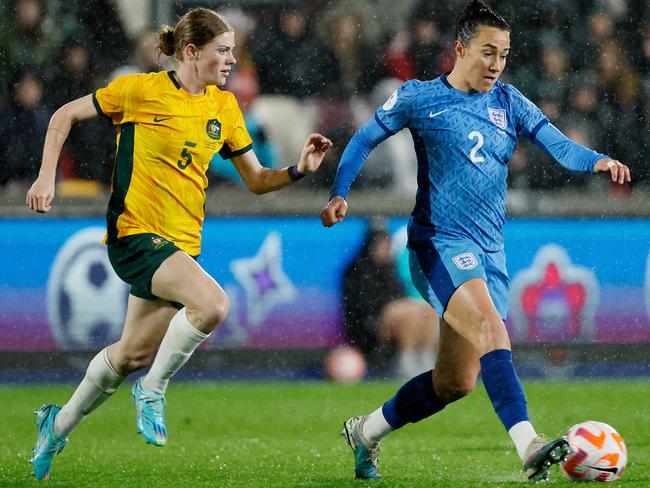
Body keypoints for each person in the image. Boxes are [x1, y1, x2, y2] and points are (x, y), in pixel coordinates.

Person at [320, 0, 630, 482]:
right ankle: (528, 443)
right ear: (460, 49)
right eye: (488, 52)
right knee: (491, 326)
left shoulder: (509, 101)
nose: (496, 65)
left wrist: (598, 160)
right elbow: (363, 139)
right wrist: (340, 193)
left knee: (455, 381)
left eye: (504, 55)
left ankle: (366, 431)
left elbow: (560, 145)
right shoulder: (420, 98)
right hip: (439, 243)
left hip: (489, 252)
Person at [26, 7, 332, 481]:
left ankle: (58, 424)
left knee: (129, 354)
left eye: (234, 50)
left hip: (180, 246)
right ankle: (152, 391)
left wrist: (298, 170)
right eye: (223, 51)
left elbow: (255, 180)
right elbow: (65, 115)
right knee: (213, 304)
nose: (233, 60)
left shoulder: (224, 108)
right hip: (135, 234)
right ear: (192, 52)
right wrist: (47, 176)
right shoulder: (141, 90)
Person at [342, 227, 438, 378]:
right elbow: (361, 305)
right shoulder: (357, 269)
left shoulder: (389, 268)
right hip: (370, 322)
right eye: (381, 245)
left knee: (428, 309)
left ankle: (425, 355)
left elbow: (399, 293)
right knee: (410, 311)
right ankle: (406, 358)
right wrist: (390, 306)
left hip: (394, 313)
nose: (384, 250)